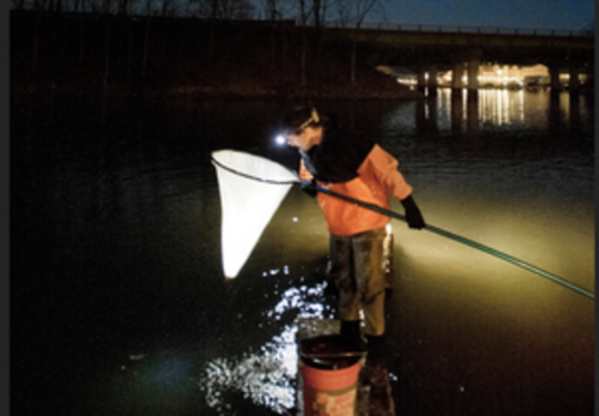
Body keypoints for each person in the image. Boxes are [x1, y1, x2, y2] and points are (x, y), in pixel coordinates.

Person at [281, 105, 426, 355]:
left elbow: (387, 170)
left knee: (369, 286)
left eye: (291, 137)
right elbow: (308, 172)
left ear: (306, 130)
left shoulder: (352, 143)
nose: (290, 144)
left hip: (367, 223)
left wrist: (408, 203)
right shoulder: (308, 151)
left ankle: (375, 341)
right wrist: (309, 184)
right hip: (337, 225)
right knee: (343, 282)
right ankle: (348, 332)